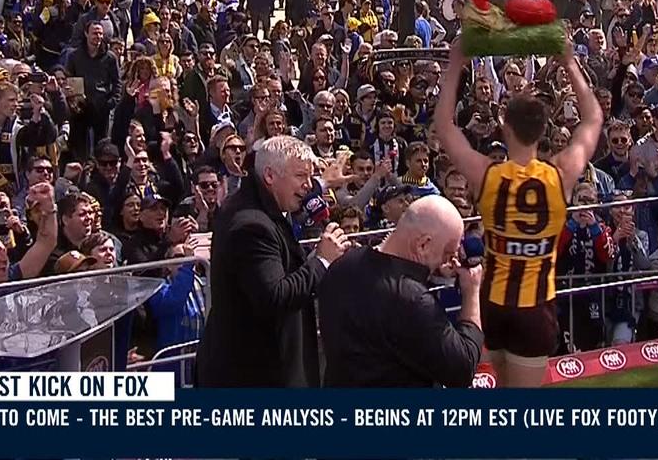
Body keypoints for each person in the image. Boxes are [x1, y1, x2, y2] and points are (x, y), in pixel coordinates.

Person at [433, 40, 604, 388]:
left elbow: (445, 126)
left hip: (494, 303)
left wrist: (456, 64)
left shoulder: (488, 174)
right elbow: (593, 118)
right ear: (543, 132)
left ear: (505, 128)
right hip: (535, 307)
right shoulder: (562, 173)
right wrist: (569, 63)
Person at [195, 135, 349, 387]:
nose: (307, 186)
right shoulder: (251, 225)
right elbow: (275, 296)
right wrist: (321, 261)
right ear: (269, 176)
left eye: (310, 178)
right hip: (252, 378)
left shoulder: (255, 202)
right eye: (301, 176)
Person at [318, 195, 484, 387]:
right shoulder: (412, 299)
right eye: (447, 253)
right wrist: (472, 292)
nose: (448, 261)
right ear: (423, 244)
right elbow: (463, 369)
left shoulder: (342, 265)